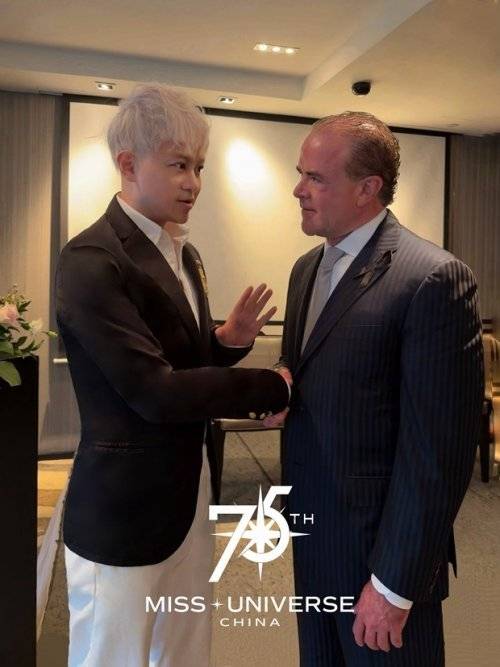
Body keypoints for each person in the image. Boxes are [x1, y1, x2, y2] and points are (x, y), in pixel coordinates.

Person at [55, 83, 289, 667]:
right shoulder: (92, 259)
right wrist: (273, 386)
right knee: (113, 657)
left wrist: (225, 341)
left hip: (188, 495)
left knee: (185, 652)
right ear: (128, 164)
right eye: (179, 165)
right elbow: (153, 391)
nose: (194, 183)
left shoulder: (185, 253)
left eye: (199, 167)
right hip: (123, 510)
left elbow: (180, 361)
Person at [265, 111, 483, 665]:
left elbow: (438, 453)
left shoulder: (433, 278)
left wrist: (393, 585)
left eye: (315, 177)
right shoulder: (305, 270)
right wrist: (281, 389)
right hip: (313, 537)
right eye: (300, 174)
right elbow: (306, 366)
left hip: (380, 558)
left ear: (367, 189)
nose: (298, 189)